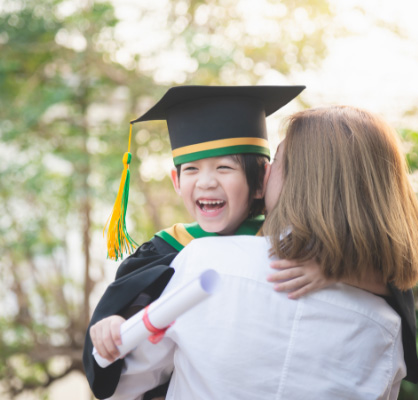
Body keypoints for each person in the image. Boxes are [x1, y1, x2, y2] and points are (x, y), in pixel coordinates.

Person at [106, 105, 418, 399]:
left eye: (277, 161)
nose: (266, 173)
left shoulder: (204, 266)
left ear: (300, 179)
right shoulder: (389, 323)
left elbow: (124, 381)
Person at [84, 85, 311, 399]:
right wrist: (112, 325)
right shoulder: (164, 251)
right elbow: (116, 350)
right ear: (176, 182)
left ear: (261, 181)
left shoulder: (291, 246)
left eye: (224, 167)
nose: (206, 182)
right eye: (191, 169)